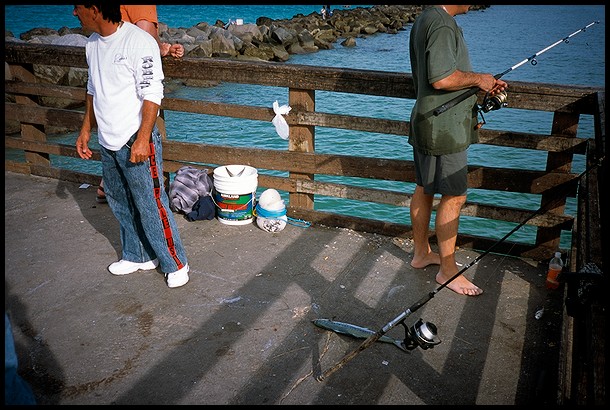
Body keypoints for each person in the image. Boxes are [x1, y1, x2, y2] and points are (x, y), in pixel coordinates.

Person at [74, 4, 190, 288]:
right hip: (108, 138)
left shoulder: (138, 42)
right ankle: (137, 255)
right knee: (119, 199)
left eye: (77, 7)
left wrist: (142, 138)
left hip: (135, 137)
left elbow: (152, 93)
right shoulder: (92, 44)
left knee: (151, 203)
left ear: (95, 9)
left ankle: (176, 263)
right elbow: (93, 89)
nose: (74, 13)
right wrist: (85, 129)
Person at [408, 5, 507, 296]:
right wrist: (479, 79)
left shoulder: (427, 17)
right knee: (455, 196)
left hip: (430, 119)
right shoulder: (441, 24)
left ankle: (421, 253)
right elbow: (441, 78)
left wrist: (481, 83)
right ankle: (448, 272)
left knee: (424, 188)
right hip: (444, 126)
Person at [97, 5, 184, 203]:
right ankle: (143, 190)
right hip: (132, 93)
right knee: (149, 197)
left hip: (114, 88)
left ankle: (110, 185)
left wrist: (163, 48)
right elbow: (143, 35)